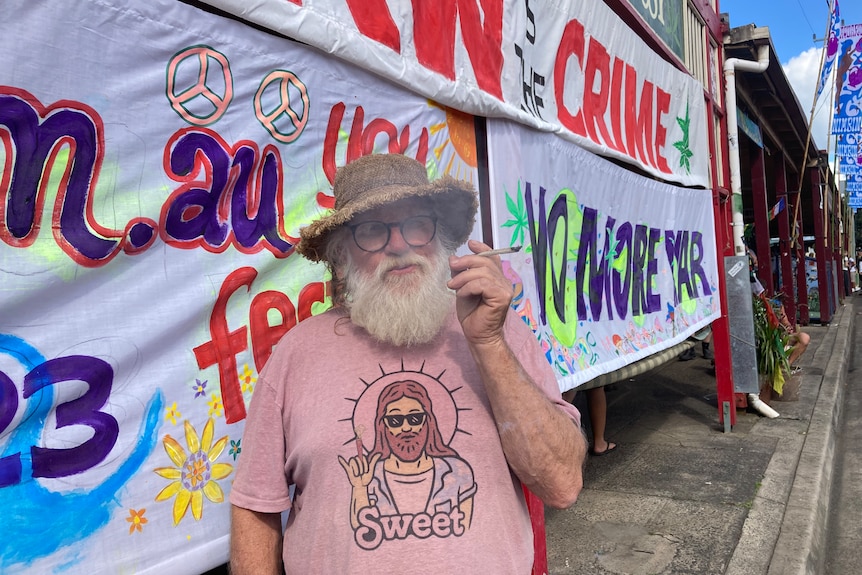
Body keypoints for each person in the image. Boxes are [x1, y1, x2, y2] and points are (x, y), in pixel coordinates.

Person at [228, 153, 588, 574]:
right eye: (373, 231)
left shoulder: (500, 332)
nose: (399, 247)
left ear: (440, 238)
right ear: (341, 254)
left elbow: (561, 485)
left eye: (417, 224)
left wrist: (488, 343)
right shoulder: (295, 355)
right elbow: (256, 508)